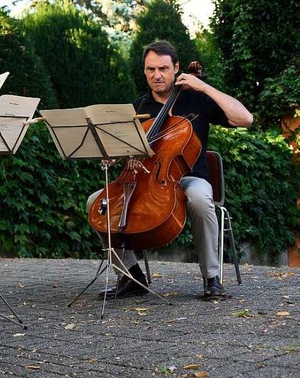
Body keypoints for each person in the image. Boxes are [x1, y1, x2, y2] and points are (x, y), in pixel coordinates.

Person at [88, 40, 253, 300]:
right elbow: (124, 149)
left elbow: (245, 119)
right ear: (144, 71)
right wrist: (114, 157)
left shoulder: (197, 100)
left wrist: (203, 86)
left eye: (163, 68)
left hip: (190, 178)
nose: (157, 75)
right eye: (151, 69)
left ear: (176, 68)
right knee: (95, 203)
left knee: (200, 199)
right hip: (146, 179)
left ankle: (211, 278)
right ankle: (131, 277)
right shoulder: (138, 108)